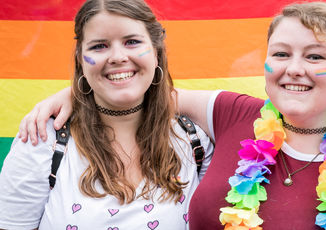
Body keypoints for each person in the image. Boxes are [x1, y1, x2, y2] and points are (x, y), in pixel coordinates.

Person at [16, 1, 326, 230]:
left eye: (315, 56)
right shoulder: (236, 115)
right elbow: (138, 87)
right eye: (281, 53)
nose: (295, 68)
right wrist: (75, 89)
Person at [0, 0, 213, 229]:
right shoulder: (42, 140)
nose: (117, 57)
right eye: (99, 46)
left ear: (156, 54)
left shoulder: (193, 140)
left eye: (132, 42)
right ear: (81, 60)